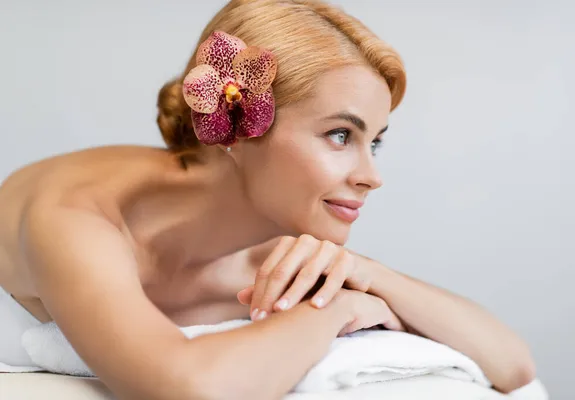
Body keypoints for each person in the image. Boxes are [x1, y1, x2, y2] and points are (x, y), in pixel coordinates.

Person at [0, 1, 536, 399]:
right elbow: (185, 390)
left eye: (374, 141)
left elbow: (513, 368)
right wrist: (340, 309)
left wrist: (369, 274)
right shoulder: (75, 220)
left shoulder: (272, 252)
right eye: (340, 136)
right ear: (236, 127)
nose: (372, 176)